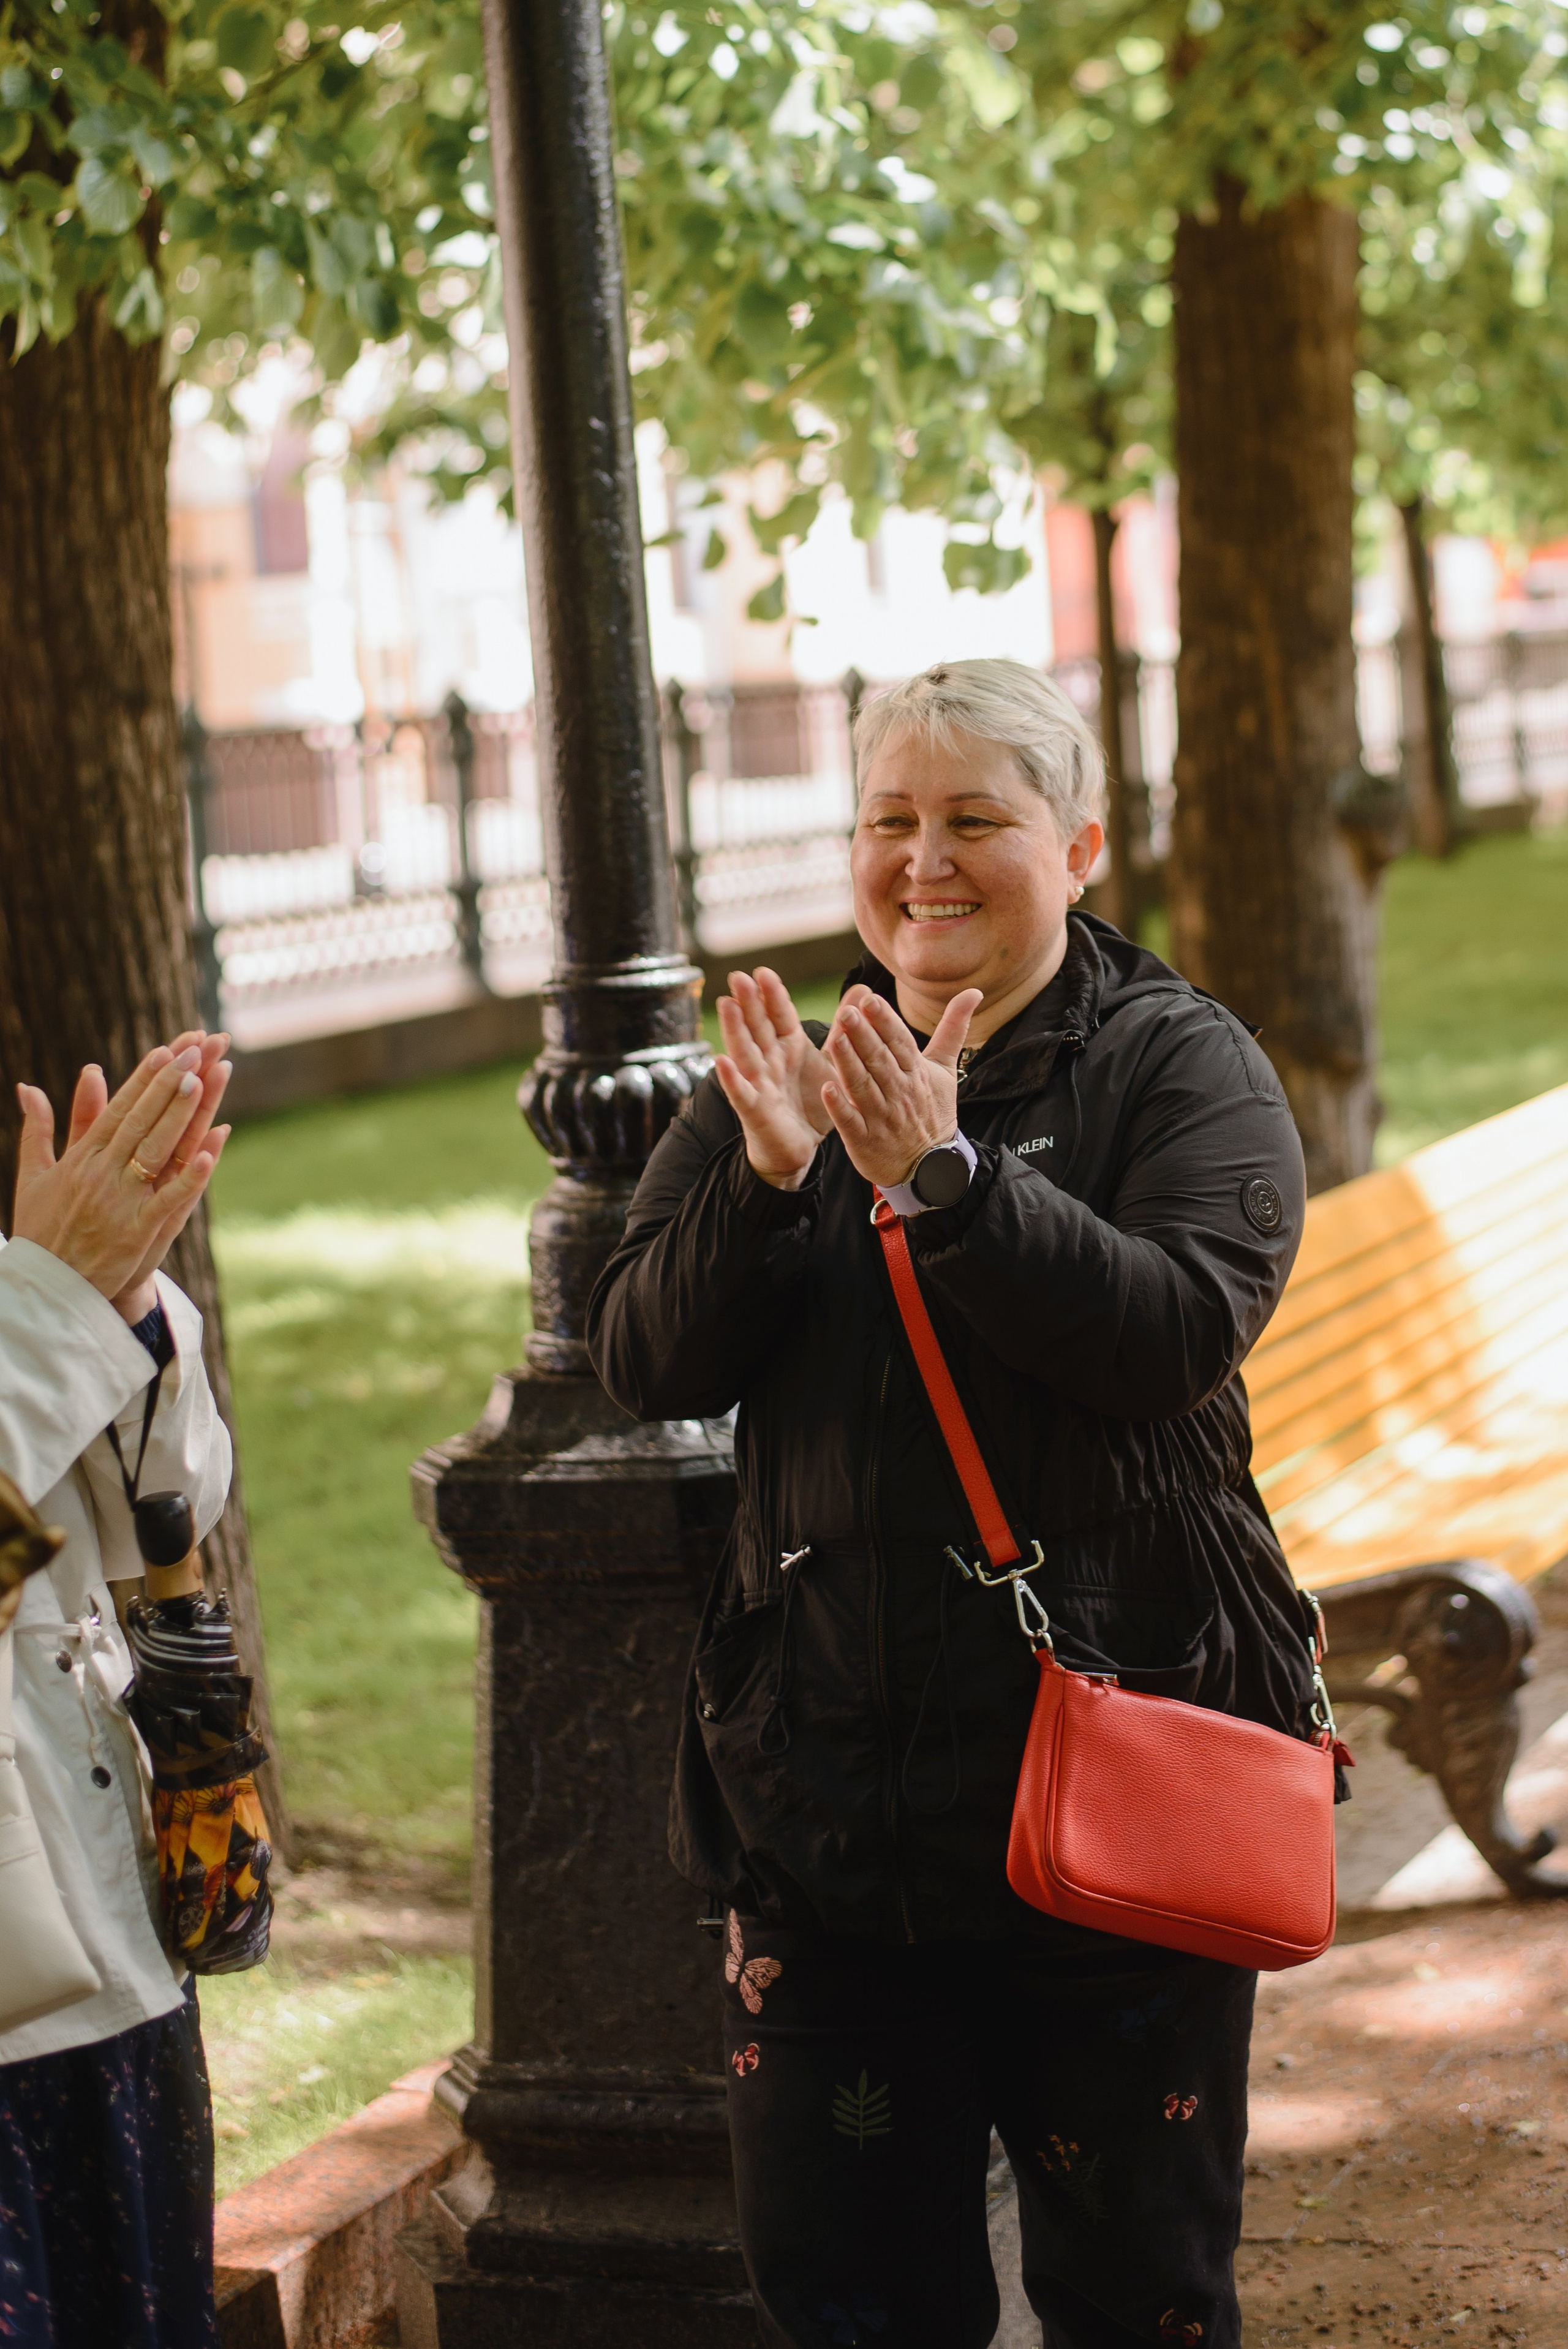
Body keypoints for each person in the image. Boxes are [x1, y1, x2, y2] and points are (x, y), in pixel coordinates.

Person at [587, 659, 1314, 2349]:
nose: (926, 860)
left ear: (1081, 844)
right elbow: (641, 1358)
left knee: (1140, 2299)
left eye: (976, 819)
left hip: (1119, 1827)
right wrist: (767, 1183)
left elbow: (1171, 1332)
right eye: (890, 819)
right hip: (832, 1829)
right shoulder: (781, 1078)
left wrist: (950, 1179)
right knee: (848, 2297)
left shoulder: (1179, 1067)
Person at [0, 1035, 234, 2349]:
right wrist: (52, 1307)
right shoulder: (28, 1291)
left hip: (110, 1962)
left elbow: (178, 1507)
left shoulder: (28, 1273)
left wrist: (126, 1311)